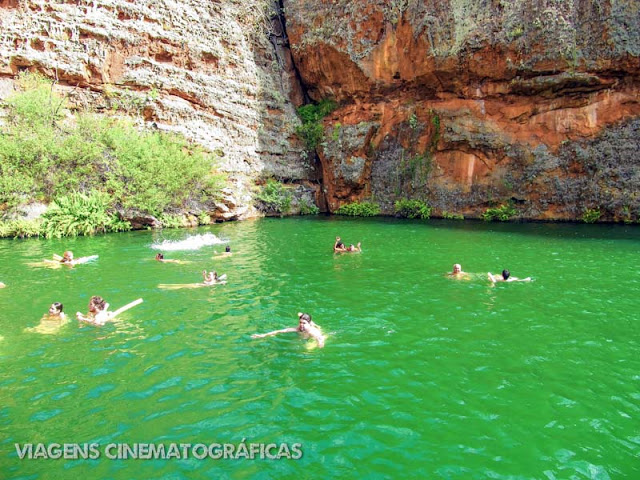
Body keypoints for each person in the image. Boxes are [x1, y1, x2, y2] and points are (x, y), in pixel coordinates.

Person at [252, 312, 326, 348]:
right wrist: (263, 335)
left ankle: (313, 323)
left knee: (307, 348)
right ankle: (301, 315)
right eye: (300, 322)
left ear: (308, 324)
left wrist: (320, 344)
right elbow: (280, 331)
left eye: (304, 323)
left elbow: (320, 338)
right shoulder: (298, 328)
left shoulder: (313, 332)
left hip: (311, 332)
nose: (301, 325)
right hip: (307, 328)